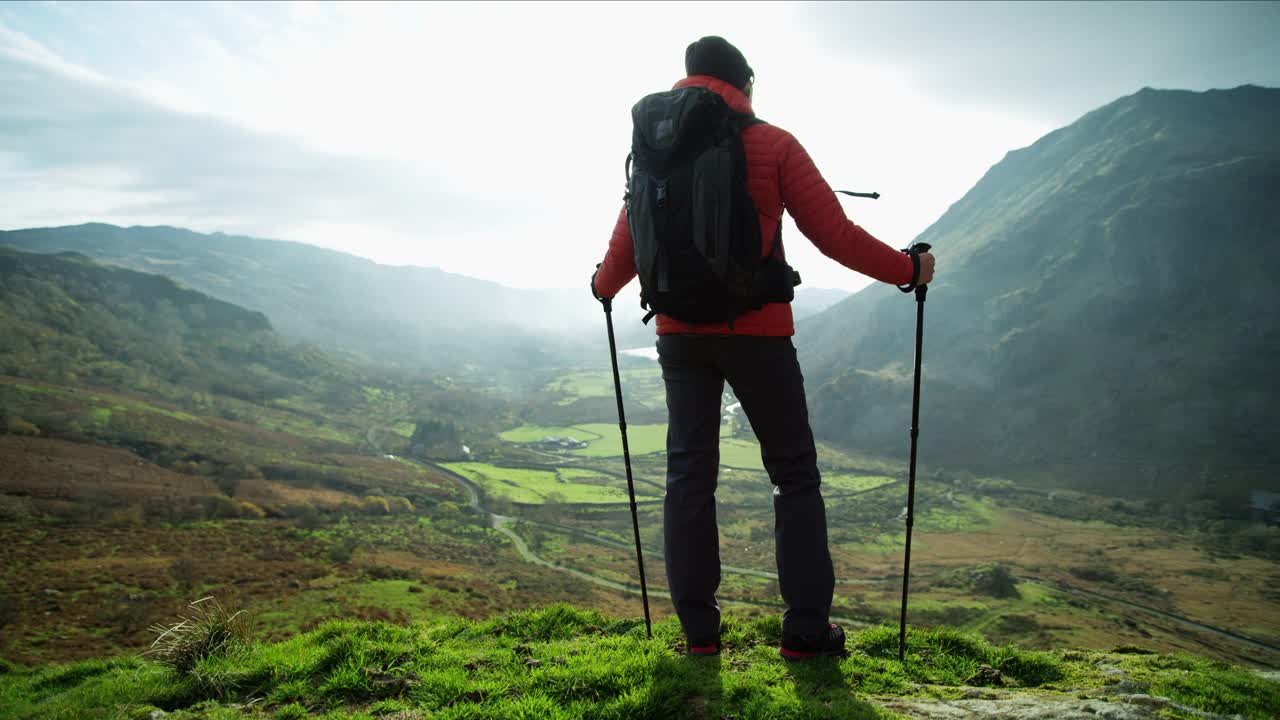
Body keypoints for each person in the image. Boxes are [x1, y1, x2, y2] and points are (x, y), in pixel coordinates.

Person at [591, 36, 936, 659]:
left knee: (689, 477)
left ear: (688, 81)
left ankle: (699, 634)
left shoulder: (654, 151)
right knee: (794, 476)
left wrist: (600, 285)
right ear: (744, 83)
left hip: (679, 337)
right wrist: (909, 272)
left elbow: (625, 246)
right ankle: (806, 630)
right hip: (761, 335)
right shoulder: (773, 143)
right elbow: (835, 236)